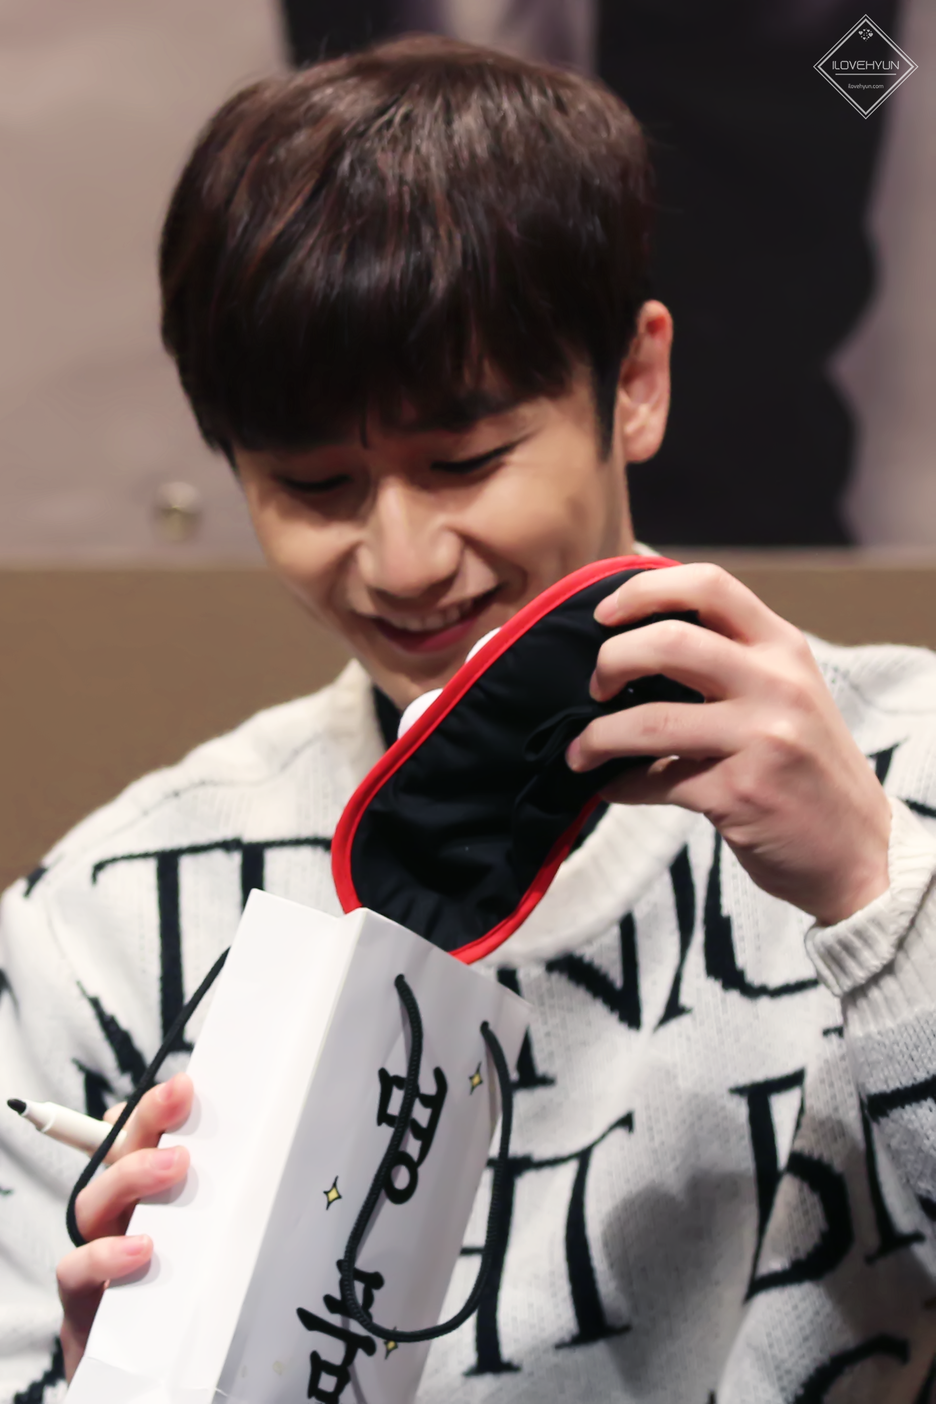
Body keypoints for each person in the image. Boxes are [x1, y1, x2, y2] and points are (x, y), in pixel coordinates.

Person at [2, 34, 936, 1404]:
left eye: (466, 461)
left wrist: (873, 891)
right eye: (314, 485)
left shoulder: (909, 761)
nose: (403, 561)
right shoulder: (100, 924)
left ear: (634, 383)